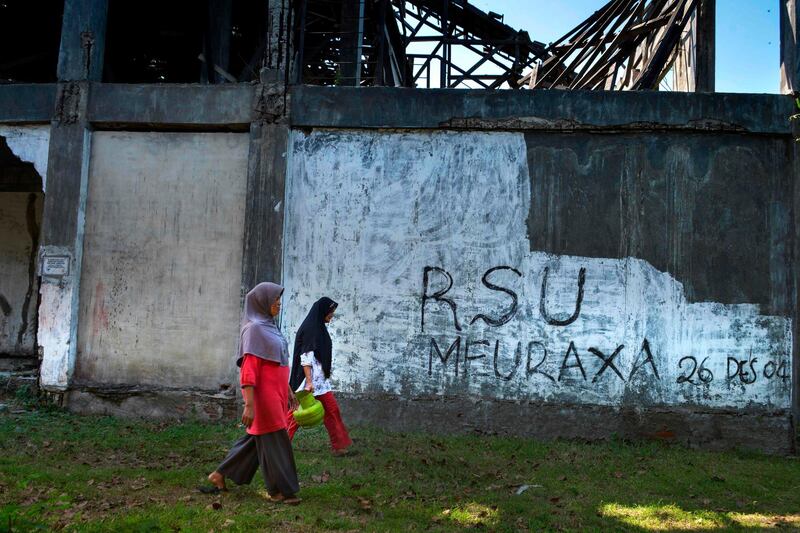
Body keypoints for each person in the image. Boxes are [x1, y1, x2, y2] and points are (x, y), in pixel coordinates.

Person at [203, 282, 301, 504]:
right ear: (262, 300)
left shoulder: (269, 326)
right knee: (276, 441)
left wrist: (287, 389)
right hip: (263, 397)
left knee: (256, 441)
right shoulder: (254, 328)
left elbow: (276, 363)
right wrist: (249, 404)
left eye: (279, 299)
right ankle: (281, 490)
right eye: (275, 298)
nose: (278, 303)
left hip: (276, 394)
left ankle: (219, 475)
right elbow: (249, 370)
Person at [287, 297, 353, 456]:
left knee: (331, 410)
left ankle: (339, 447)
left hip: (319, 381)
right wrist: (309, 382)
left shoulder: (318, 327)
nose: (332, 314)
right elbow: (306, 357)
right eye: (331, 311)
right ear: (323, 310)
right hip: (306, 381)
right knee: (295, 415)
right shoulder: (312, 328)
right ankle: (278, 446)